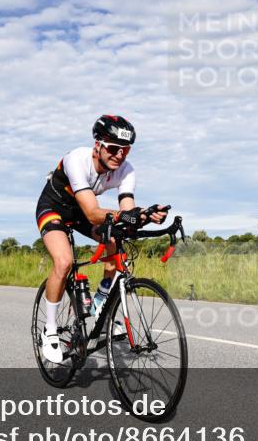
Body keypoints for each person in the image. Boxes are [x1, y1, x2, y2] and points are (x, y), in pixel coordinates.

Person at [36, 115, 167, 363]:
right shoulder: (77, 160)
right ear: (98, 145)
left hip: (82, 213)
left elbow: (126, 213)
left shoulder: (126, 171)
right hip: (54, 208)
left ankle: (98, 302)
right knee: (63, 262)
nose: (119, 155)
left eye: (125, 150)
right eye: (114, 148)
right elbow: (93, 213)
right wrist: (131, 215)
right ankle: (50, 329)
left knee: (116, 240)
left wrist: (145, 216)